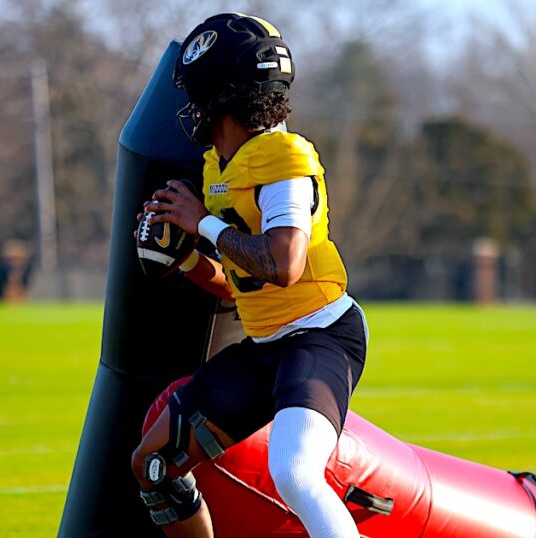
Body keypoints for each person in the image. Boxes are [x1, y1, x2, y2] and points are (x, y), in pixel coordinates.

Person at [130, 13, 368, 538]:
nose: (188, 109)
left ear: (219, 95)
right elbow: (240, 285)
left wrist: (204, 223)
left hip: (320, 335)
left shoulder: (283, 157)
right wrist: (186, 259)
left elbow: (284, 265)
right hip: (265, 347)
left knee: (295, 473)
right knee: (155, 465)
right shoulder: (220, 164)